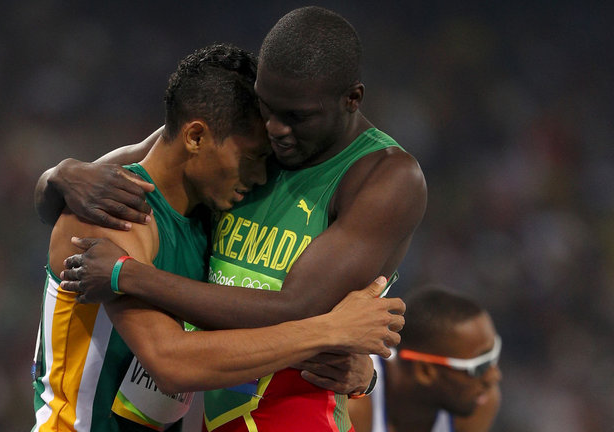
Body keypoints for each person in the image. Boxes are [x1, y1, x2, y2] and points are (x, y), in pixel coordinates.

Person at [36, 7, 427, 431]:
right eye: (266, 109)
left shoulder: (379, 176)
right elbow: (170, 360)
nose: (275, 135)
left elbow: (295, 308)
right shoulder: (120, 209)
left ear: (351, 99)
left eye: (294, 116)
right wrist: (60, 175)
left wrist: (359, 369)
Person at [348, 289, 502, 432]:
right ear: (425, 371)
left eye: (493, 357)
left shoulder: (480, 404)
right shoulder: (353, 404)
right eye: (479, 367)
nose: (494, 376)